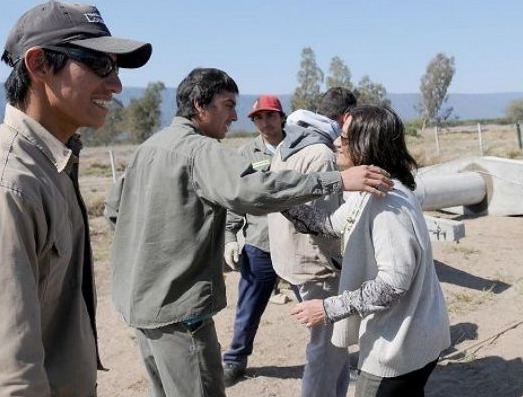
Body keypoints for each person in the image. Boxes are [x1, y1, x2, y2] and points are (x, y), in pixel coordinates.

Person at [105, 70, 391, 397]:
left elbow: (113, 210)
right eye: (227, 105)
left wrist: (149, 253)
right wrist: (338, 180)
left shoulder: (149, 147)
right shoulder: (200, 150)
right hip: (179, 311)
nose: (234, 116)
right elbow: (250, 191)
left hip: (140, 305)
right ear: (200, 105)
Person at [0, 0, 152, 396]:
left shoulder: (50, 163)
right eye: (100, 64)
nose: (116, 84)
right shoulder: (1, 188)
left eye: (116, 68)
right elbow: (6, 377)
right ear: (38, 65)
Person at [286, 105, 451, 397]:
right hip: (407, 336)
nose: (336, 142)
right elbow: (324, 224)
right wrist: (273, 197)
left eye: (346, 138)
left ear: (367, 145)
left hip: (400, 346)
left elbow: (392, 285)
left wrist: (327, 308)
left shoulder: (385, 203)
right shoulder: (369, 192)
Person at [266, 86, 357, 397]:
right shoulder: (320, 153)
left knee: (335, 341)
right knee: (327, 345)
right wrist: (342, 260)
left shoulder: (287, 142)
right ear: (345, 117)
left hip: (291, 259)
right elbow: (328, 223)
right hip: (319, 265)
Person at [221, 95, 287, 386]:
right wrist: (230, 236)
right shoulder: (247, 153)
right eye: (259, 118)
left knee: (316, 301)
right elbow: (237, 197)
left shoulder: (298, 147)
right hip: (261, 242)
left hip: (299, 242)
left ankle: (331, 356)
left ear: (281, 117)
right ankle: (235, 360)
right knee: (248, 306)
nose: (265, 122)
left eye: (270, 116)